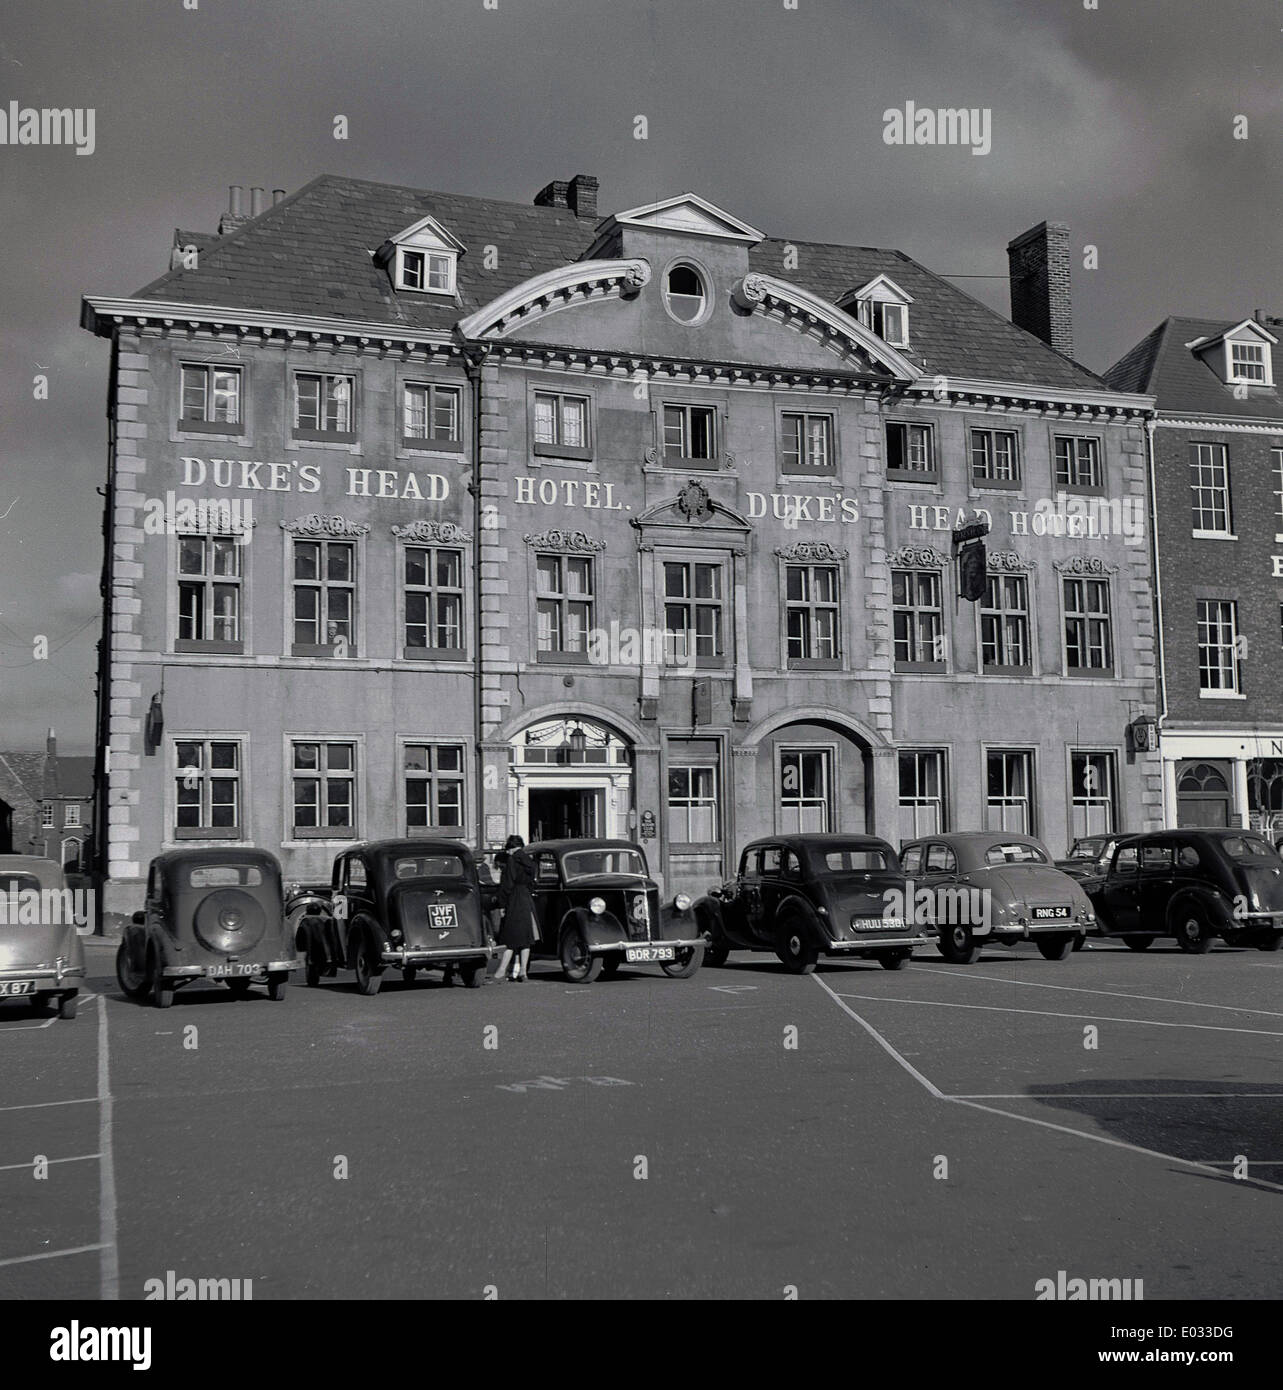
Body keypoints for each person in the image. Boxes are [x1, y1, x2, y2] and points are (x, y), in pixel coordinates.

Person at [494, 834, 538, 982]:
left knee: (509, 938)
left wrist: (502, 904)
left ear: (512, 848)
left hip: (514, 899)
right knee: (526, 939)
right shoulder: (529, 861)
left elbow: (507, 885)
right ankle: (523, 972)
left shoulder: (513, 860)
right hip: (527, 899)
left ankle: (500, 972)